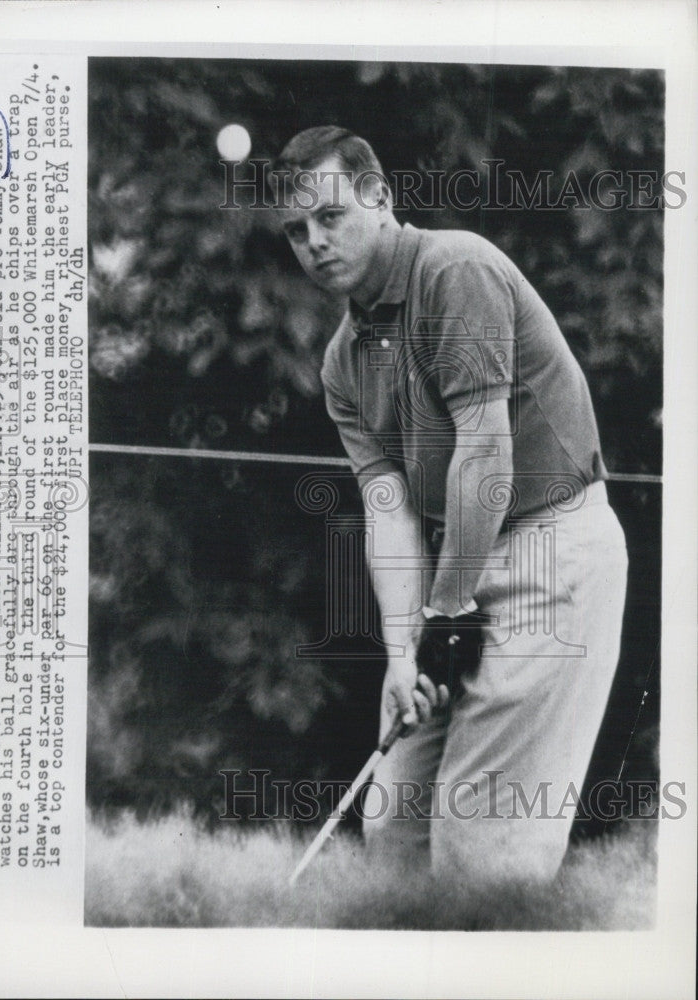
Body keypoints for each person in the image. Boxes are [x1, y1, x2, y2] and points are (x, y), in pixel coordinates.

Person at [270, 126, 628, 893]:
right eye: (296, 231)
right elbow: (388, 508)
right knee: (392, 827)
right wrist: (405, 653)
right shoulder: (342, 359)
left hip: (549, 555)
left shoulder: (452, 268)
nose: (313, 243)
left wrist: (445, 610)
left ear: (379, 197)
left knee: (481, 852)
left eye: (329, 217)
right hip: (452, 573)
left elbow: (485, 455)